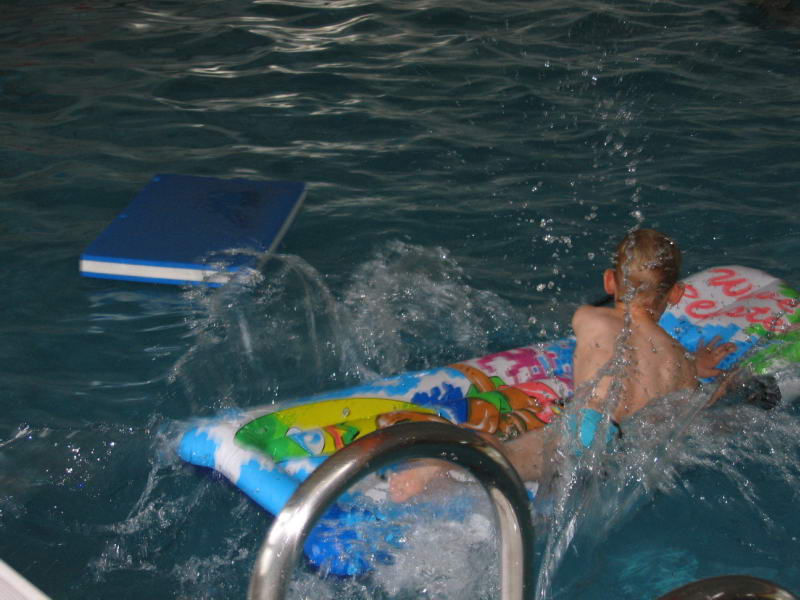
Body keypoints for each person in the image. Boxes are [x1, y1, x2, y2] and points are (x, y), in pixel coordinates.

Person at [389, 228, 736, 502]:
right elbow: (686, 403)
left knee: (508, 455)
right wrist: (705, 374)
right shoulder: (677, 359)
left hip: (588, 427)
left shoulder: (591, 318)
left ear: (609, 282)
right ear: (676, 294)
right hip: (626, 447)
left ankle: (435, 467)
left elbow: (623, 340)